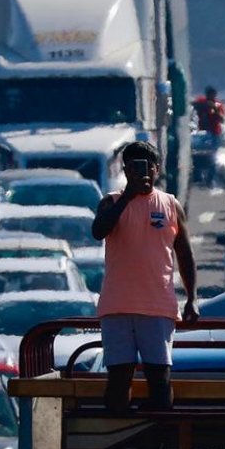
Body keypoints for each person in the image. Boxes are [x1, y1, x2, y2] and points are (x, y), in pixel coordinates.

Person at [91, 141, 199, 413]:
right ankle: (116, 442)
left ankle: (156, 445)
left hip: (158, 307)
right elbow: (99, 231)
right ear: (126, 170)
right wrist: (128, 196)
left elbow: (184, 255)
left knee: (160, 379)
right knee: (118, 379)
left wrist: (192, 298)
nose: (145, 172)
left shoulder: (170, 205)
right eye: (137, 167)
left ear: (158, 168)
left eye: (149, 166)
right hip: (117, 306)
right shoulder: (112, 202)